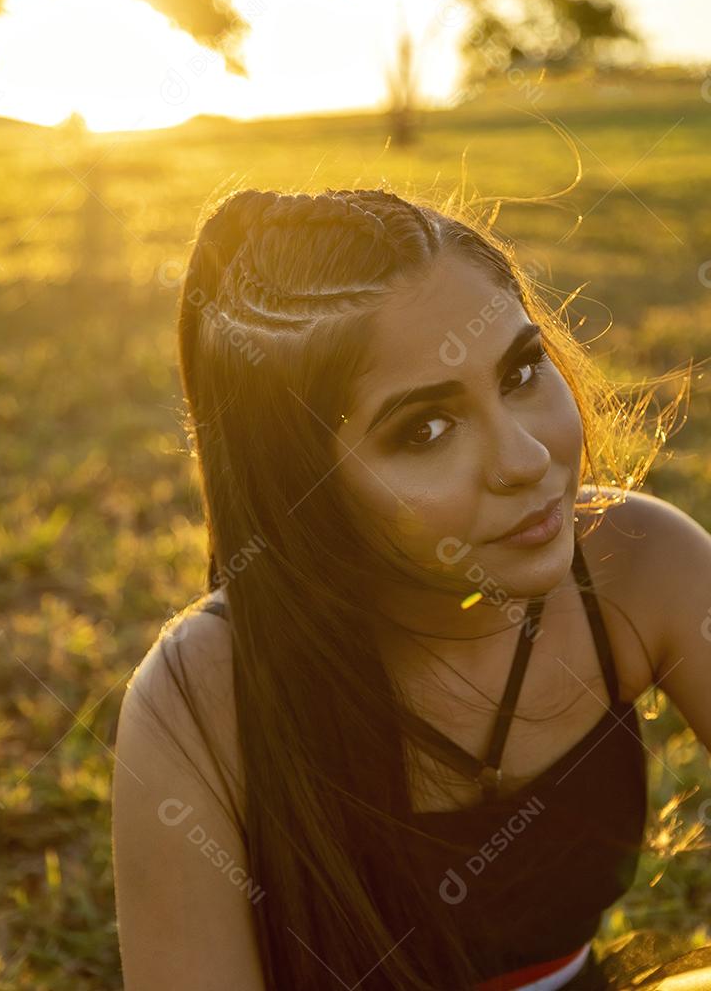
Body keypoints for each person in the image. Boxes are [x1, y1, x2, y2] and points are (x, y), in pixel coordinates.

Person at [111, 187, 711, 990]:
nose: (525, 457)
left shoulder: (639, 564)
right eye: (425, 429)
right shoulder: (204, 694)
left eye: (524, 370)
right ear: (302, 488)